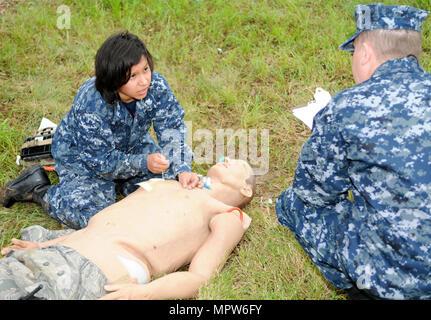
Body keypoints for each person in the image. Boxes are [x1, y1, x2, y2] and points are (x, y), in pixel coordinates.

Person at [276, 4, 431, 300]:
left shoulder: (346, 108)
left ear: (364, 53)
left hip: (398, 280)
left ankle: (358, 285)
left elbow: (312, 193)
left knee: (292, 204)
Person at [0, 31, 198, 229]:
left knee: (171, 188)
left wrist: (181, 169)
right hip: (83, 158)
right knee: (96, 219)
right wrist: (144, 163)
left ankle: (123, 184)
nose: (144, 81)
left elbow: (172, 127)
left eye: (146, 69)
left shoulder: (156, 85)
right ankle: (37, 189)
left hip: (132, 146)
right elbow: (101, 162)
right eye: (133, 76)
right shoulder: (92, 102)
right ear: (113, 78)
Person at [0, 158, 255, 300]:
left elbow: (201, 277)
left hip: (95, 273)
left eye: (237, 164)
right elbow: (107, 225)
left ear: (246, 189)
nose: (226, 159)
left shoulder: (226, 213)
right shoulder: (176, 184)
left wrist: (142, 294)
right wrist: (46, 245)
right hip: (62, 248)